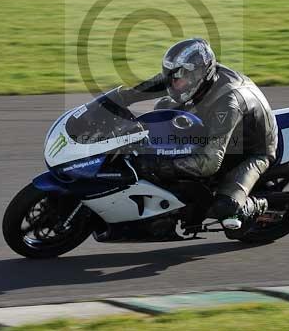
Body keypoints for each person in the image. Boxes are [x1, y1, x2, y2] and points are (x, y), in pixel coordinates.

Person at [109, 38, 278, 235]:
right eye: (172, 76)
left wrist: (158, 166)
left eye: (179, 78)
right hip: (215, 125)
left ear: (199, 75)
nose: (174, 83)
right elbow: (158, 83)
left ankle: (255, 205)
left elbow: (209, 163)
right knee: (162, 110)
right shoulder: (193, 77)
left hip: (252, 150)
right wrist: (121, 98)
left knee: (226, 208)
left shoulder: (228, 104)